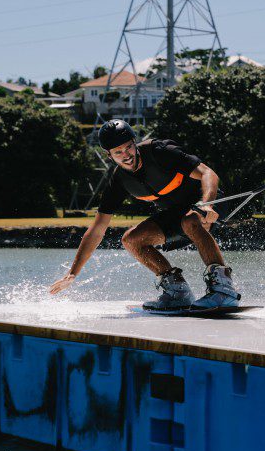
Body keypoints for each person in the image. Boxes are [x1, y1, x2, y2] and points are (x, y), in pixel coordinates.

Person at [48, 119, 240, 310]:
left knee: (190, 219)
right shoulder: (119, 181)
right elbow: (97, 229)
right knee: (131, 240)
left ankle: (224, 290)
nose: (127, 155)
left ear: (134, 142)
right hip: (177, 216)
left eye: (129, 147)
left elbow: (208, 173)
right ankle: (177, 292)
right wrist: (73, 273)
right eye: (118, 152)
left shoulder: (160, 151)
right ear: (109, 156)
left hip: (209, 204)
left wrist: (207, 204)